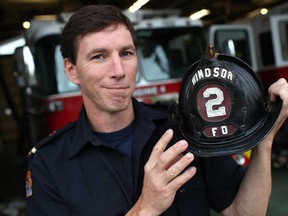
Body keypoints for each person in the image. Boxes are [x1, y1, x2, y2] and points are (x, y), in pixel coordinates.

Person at [26, 4, 288, 216]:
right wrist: (146, 208)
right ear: (71, 70)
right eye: (99, 56)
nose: (119, 71)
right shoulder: (48, 165)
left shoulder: (185, 130)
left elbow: (243, 213)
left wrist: (263, 137)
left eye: (126, 53)